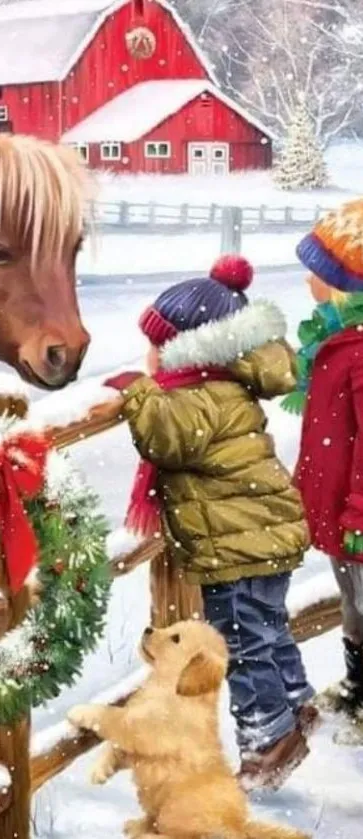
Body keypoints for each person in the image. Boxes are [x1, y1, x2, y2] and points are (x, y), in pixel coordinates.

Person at [104, 255, 315, 790]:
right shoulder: (225, 384)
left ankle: (269, 743)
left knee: (244, 645)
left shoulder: (199, 396)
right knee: (268, 631)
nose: (148, 356)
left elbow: (165, 437)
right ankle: (296, 708)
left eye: (156, 345)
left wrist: (137, 391)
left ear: (186, 347)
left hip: (237, 547)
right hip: (258, 536)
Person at [284, 200, 363, 720]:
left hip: (357, 516)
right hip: (340, 511)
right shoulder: (336, 342)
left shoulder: (358, 351)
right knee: (352, 606)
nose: (309, 282)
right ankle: (359, 687)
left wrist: (358, 511)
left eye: (318, 273)